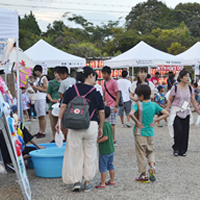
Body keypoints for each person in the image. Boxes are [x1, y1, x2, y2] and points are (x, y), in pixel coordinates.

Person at [55, 66, 105, 192]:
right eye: (94, 76)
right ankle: (87, 182)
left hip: (74, 125)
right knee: (90, 153)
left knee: (74, 153)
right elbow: (102, 112)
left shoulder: (71, 90)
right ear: (90, 76)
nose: (95, 79)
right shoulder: (96, 91)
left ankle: (76, 181)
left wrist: (59, 122)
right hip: (91, 125)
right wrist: (101, 127)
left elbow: (63, 107)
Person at [129, 84, 169, 183]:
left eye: (138, 96)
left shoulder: (138, 104)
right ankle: (152, 166)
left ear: (141, 96)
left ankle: (143, 176)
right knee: (150, 151)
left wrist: (137, 122)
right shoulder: (154, 105)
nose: (137, 98)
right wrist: (155, 120)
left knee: (141, 154)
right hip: (150, 132)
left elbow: (130, 113)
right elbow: (166, 113)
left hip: (139, 133)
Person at [166, 69, 200, 157]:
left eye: (189, 76)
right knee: (178, 130)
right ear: (181, 78)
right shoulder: (175, 87)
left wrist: (197, 110)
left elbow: (193, 100)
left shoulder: (190, 88)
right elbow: (170, 99)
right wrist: (167, 109)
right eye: (186, 76)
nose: (187, 78)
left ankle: (183, 150)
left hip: (186, 111)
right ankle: (176, 148)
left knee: (185, 131)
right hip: (176, 111)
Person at [95, 106, 115, 189]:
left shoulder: (103, 126)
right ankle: (112, 180)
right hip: (111, 149)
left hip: (104, 150)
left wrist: (96, 141)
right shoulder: (109, 124)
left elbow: (105, 137)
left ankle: (102, 183)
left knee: (103, 167)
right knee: (110, 165)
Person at [102, 66, 120, 146]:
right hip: (107, 105)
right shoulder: (103, 82)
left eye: (105, 74)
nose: (103, 75)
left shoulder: (114, 82)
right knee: (106, 123)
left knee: (112, 124)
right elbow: (104, 94)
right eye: (102, 74)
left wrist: (116, 105)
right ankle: (108, 138)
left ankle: (113, 140)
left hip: (113, 105)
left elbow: (117, 94)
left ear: (109, 74)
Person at [31, 65, 48, 138]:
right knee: (39, 116)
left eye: (36, 71)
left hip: (42, 98)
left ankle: (43, 131)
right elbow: (36, 90)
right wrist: (33, 88)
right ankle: (40, 131)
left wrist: (36, 88)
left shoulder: (44, 78)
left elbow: (45, 89)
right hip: (37, 97)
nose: (35, 72)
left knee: (42, 115)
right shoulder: (37, 79)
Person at [46, 67, 61, 142]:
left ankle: (62, 138)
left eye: (58, 73)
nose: (56, 75)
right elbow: (48, 93)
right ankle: (55, 139)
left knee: (62, 124)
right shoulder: (51, 83)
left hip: (62, 105)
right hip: (52, 106)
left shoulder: (64, 82)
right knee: (53, 124)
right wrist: (51, 99)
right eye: (55, 73)